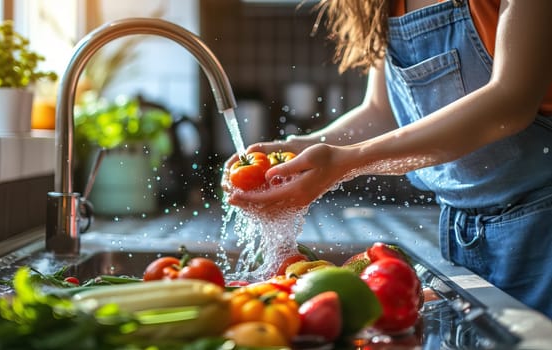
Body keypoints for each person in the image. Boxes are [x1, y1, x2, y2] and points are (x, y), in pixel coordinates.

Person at [222, 0, 552, 318]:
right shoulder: (383, 3)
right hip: (461, 231)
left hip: (541, 230)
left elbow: (512, 101)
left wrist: (348, 162)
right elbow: (382, 113)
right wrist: (297, 150)